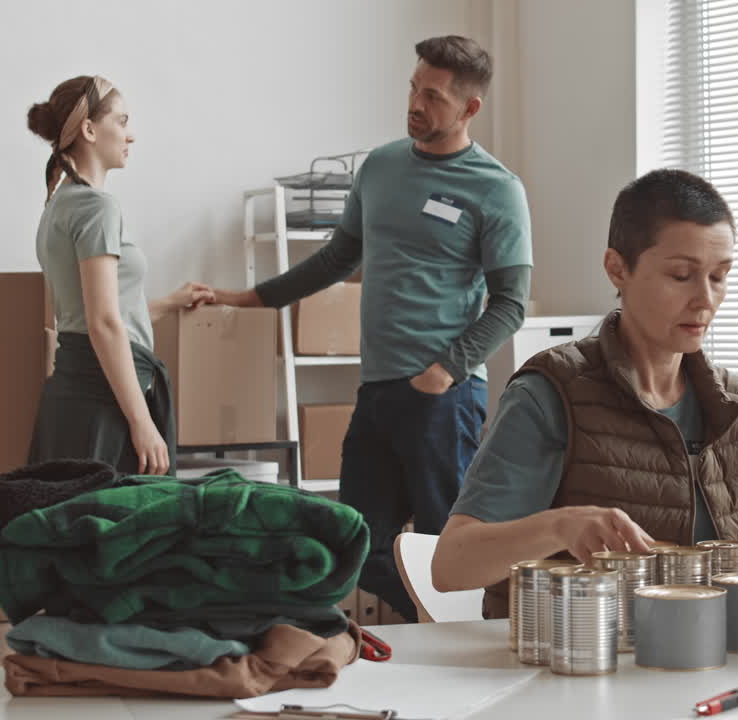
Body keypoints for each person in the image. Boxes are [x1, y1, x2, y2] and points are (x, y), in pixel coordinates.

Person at [431, 169, 738, 619]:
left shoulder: (734, 409)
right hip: (578, 685)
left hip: (712, 679)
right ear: (617, 269)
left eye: (719, 275)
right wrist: (559, 526)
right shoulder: (550, 395)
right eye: (681, 275)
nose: (705, 299)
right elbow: (451, 566)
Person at [211, 37, 533, 621]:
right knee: (355, 544)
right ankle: (425, 632)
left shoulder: (496, 188)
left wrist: (445, 371)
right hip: (378, 389)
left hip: (445, 397)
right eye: (413, 87)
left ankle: (454, 675)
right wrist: (247, 298)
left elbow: (512, 303)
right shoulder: (381, 167)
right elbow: (336, 259)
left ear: (469, 108)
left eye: (432, 96)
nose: (415, 102)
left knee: (446, 551)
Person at [27, 75, 213, 476]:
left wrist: (168, 303)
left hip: (73, 399)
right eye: (123, 121)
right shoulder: (97, 208)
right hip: (106, 402)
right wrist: (141, 422)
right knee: (122, 533)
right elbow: (104, 322)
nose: (132, 135)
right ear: (89, 130)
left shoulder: (57, 206)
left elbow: (93, 312)